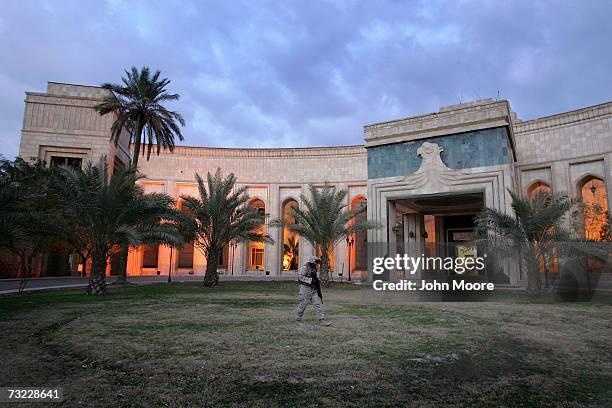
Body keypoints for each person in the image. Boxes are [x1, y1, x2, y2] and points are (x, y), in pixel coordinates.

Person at [296, 256, 331, 325]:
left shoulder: (314, 268)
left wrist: (317, 287)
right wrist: (310, 280)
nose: (316, 264)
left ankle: (322, 319)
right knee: (303, 304)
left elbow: (315, 278)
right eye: (315, 263)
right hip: (305, 289)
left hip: (313, 289)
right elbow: (300, 277)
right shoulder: (305, 268)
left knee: (318, 304)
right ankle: (298, 316)